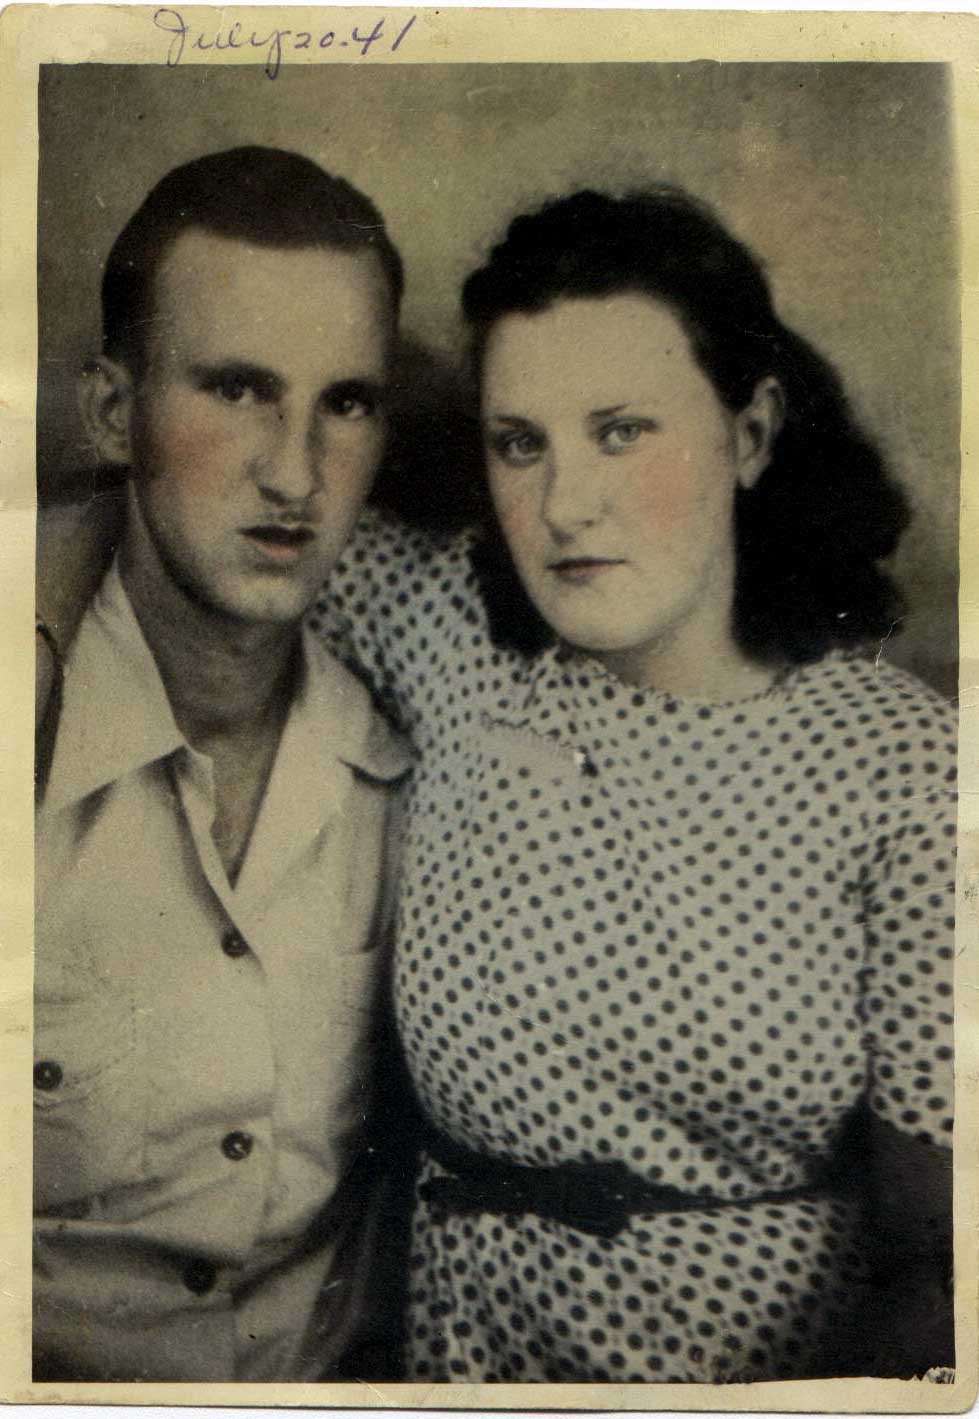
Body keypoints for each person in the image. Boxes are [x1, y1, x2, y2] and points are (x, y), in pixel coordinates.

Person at [38, 185, 956, 1383]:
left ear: (750, 432)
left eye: (622, 431)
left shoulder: (903, 763)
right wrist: (36, 639)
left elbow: (945, 1269)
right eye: (521, 443)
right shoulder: (451, 627)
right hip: (460, 1370)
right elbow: (173, 513)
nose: (565, 505)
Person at [32, 145, 414, 1383]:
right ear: (112, 412)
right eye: (238, 388)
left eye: (344, 403)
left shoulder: (408, 761)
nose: (295, 473)